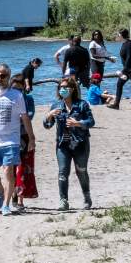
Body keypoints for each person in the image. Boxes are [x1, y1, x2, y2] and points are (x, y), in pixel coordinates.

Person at [0, 63, 35, 216]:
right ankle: (2, 192)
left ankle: (6, 205)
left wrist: (31, 138)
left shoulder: (17, 95)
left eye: (2, 75)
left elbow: (25, 118)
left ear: (8, 77)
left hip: (11, 141)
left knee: (8, 172)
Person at [42, 76, 95, 210]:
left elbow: (91, 122)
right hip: (62, 145)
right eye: (61, 87)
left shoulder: (82, 104)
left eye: (65, 87)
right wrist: (48, 115)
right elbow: (47, 126)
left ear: (72, 89)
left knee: (81, 171)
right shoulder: (56, 105)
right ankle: (63, 201)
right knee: (63, 172)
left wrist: (78, 123)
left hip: (80, 144)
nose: (62, 89)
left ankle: (87, 197)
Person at [11, 76, 38, 211]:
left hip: (24, 136)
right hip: (10, 136)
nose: (17, 92)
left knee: (23, 168)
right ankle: (13, 196)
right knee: (11, 169)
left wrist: (19, 117)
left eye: (20, 89)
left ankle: (20, 199)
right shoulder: (7, 99)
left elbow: (30, 115)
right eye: (14, 89)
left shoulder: (28, 99)